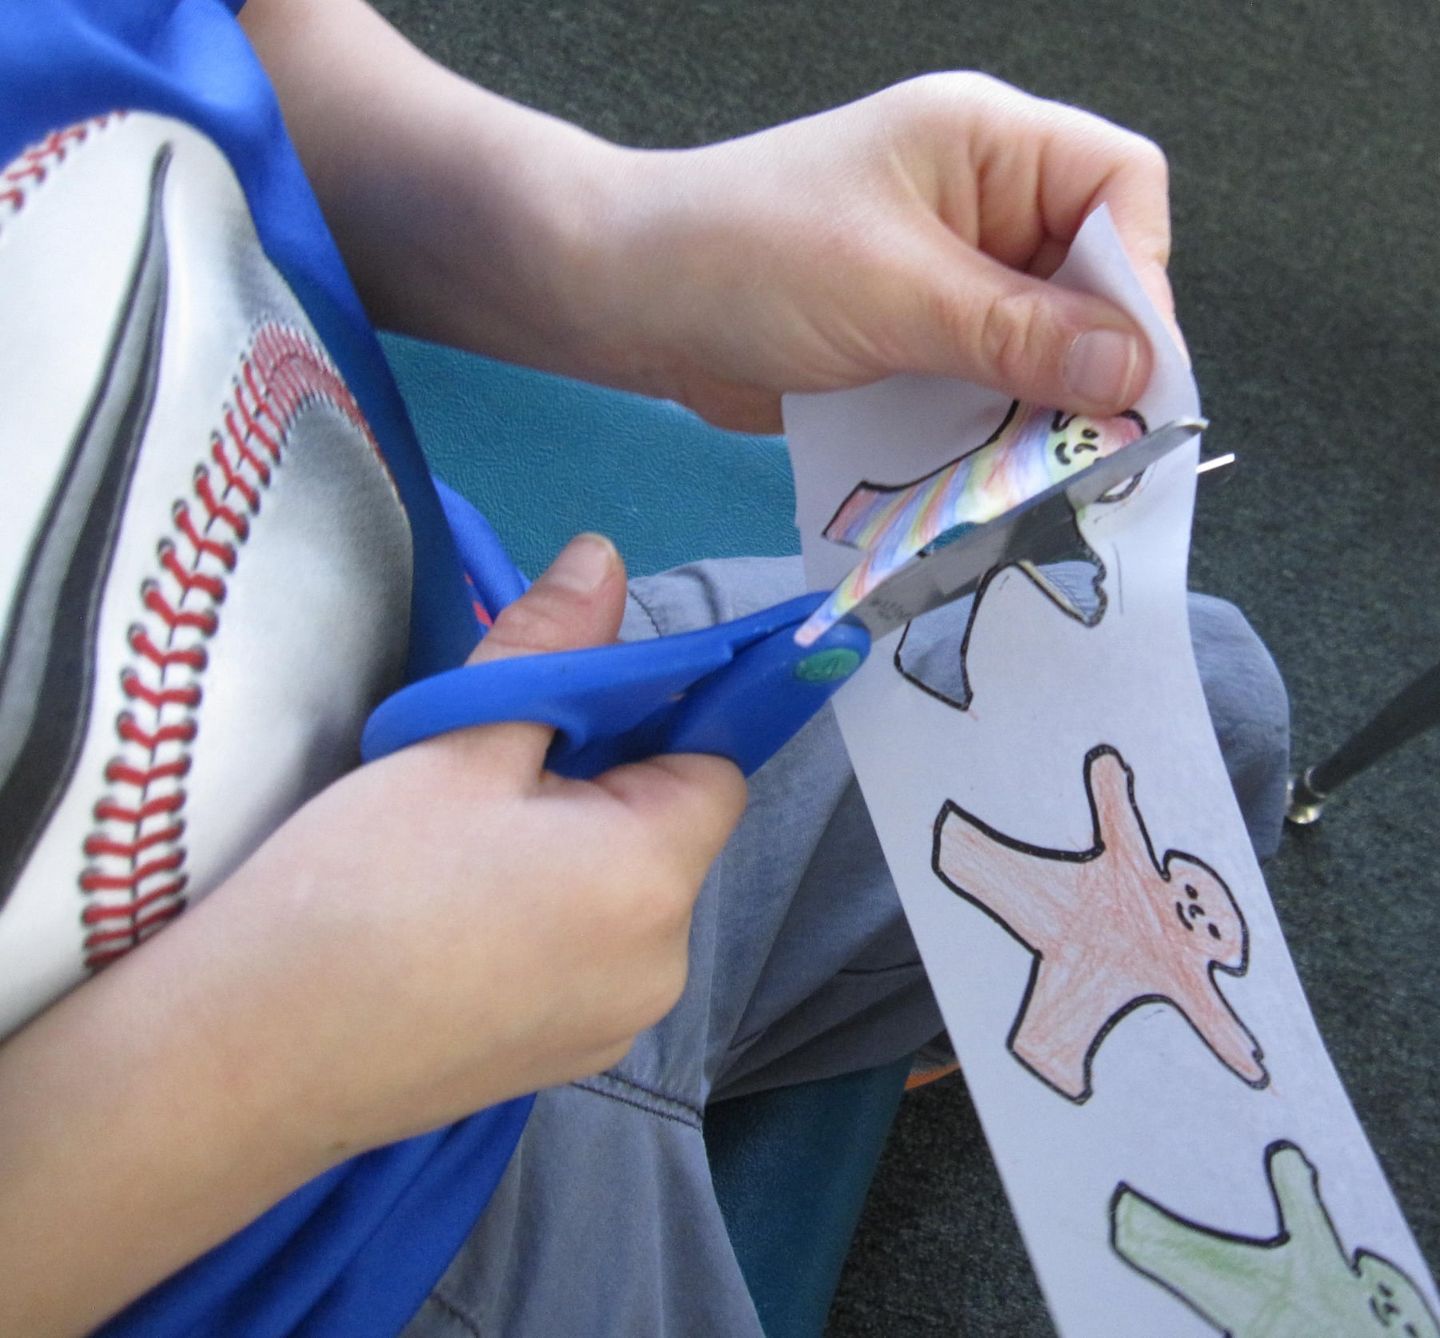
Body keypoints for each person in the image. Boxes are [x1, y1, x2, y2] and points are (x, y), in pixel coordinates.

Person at [0, 0, 1289, 1333]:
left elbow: (208, 35)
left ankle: (815, 1036)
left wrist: (620, 241)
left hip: (543, 699)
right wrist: (266, 1068)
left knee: (1216, 700)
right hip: (264, 1251)